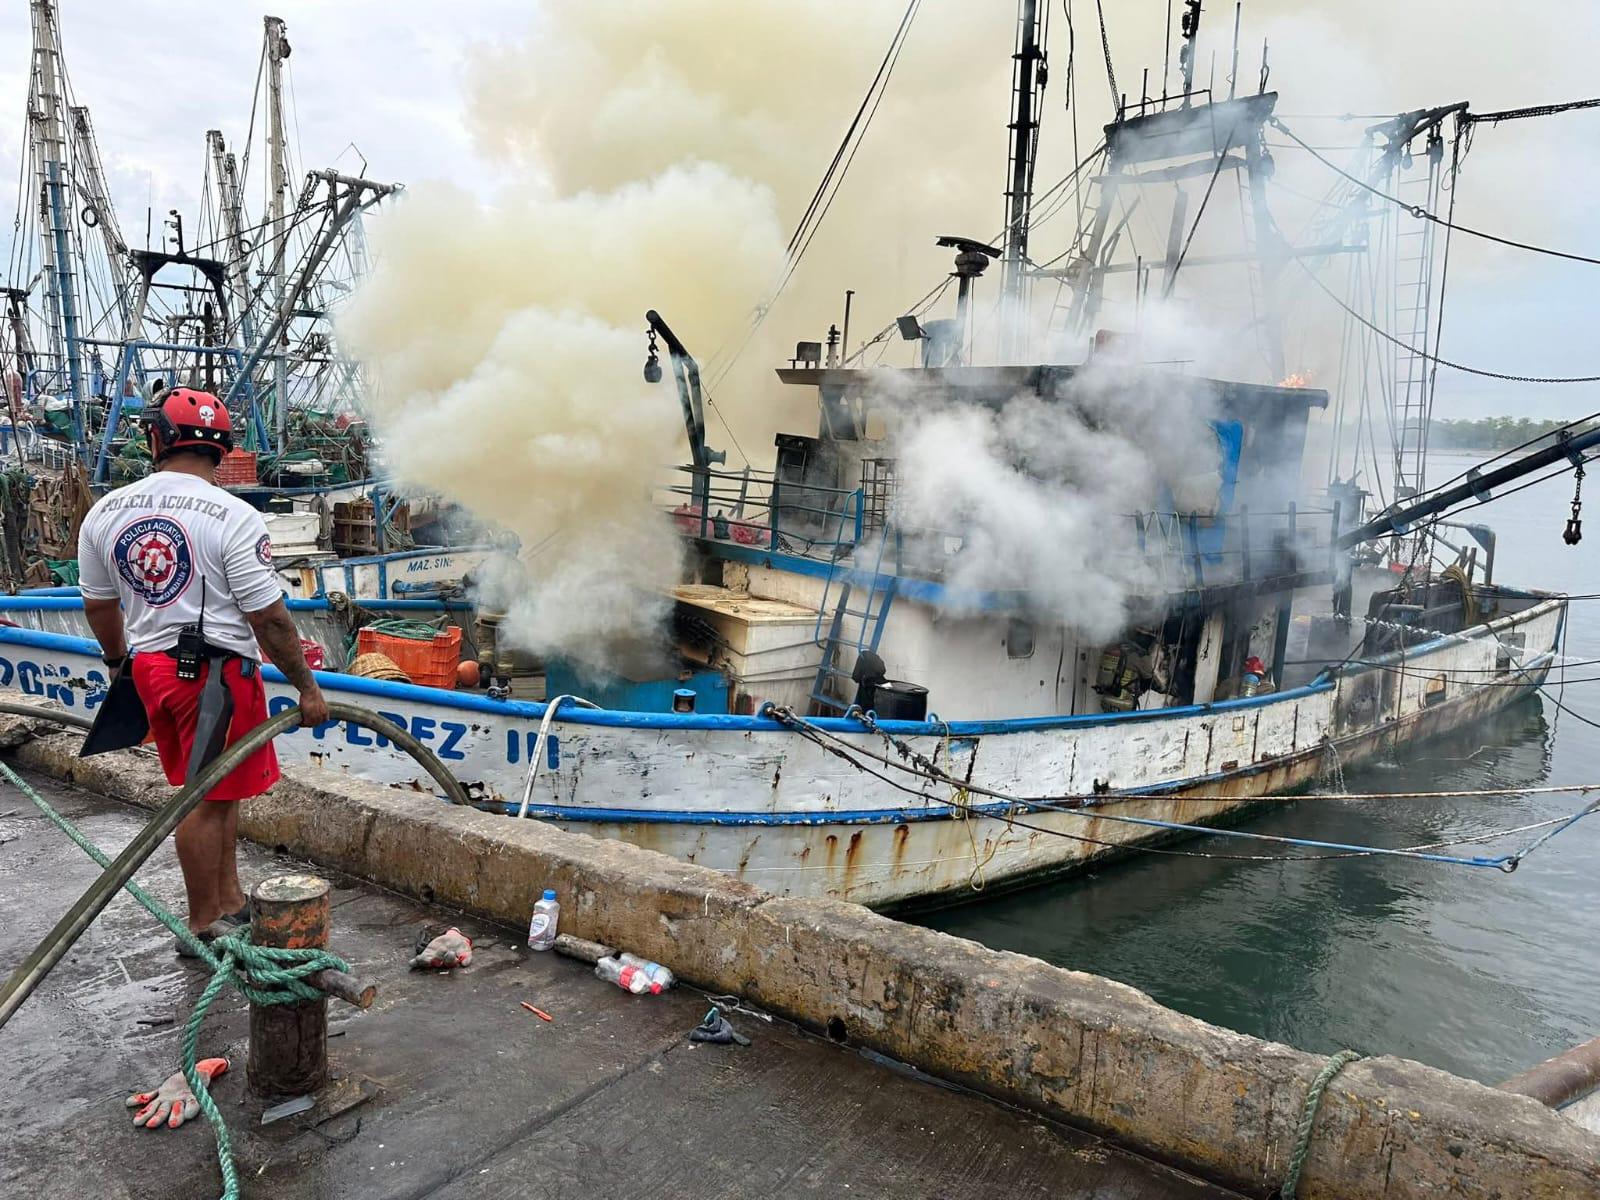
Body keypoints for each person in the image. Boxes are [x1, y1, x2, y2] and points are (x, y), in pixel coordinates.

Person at [77, 386, 329, 956]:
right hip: (214, 678)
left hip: (152, 669)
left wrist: (118, 663)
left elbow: (98, 604)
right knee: (203, 801)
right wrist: (308, 688)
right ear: (222, 448)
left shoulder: (105, 512)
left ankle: (229, 900)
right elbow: (269, 619)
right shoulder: (235, 516)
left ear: (157, 440)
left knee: (220, 791)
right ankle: (201, 924)